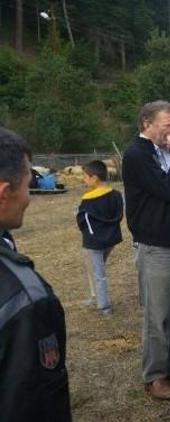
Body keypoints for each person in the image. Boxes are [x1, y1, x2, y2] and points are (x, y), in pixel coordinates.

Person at [0, 127, 71, 421]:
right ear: (4, 193)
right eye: (29, 185)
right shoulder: (26, 299)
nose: (29, 198)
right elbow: (35, 404)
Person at [122, 100, 170, 400]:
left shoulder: (158, 151)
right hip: (154, 244)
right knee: (157, 314)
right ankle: (154, 375)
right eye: (168, 125)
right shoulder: (137, 154)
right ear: (147, 123)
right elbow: (166, 190)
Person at [76, 160, 124, 315]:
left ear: (94, 178)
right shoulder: (116, 195)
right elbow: (119, 215)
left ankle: (104, 306)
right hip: (111, 239)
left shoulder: (88, 200)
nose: (84, 180)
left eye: (85, 176)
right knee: (97, 269)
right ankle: (96, 296)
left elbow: (83, 220)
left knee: (99, 273)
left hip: (94, 241)